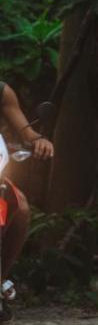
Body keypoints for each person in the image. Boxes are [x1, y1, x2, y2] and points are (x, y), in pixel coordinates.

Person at [0, 81, 53, 283]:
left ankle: (0, 282)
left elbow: (27, 133)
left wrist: (39, 140)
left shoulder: (3, 92)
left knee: (20, 206)